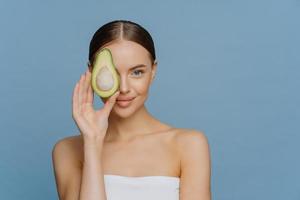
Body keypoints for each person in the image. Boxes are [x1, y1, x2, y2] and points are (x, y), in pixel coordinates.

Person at [52, 19, 211, 200]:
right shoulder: (67, 151)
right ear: (91, 72)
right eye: (111, 73)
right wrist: (93, 144)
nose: (124, 88)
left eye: (137, 72)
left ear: (153, 71)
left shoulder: (189, 144)